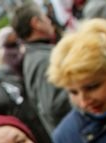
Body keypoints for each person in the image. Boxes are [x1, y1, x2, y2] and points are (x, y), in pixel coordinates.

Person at [11, 2, 71, 135]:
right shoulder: (41, 60)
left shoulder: (38, 54)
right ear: (36, 23)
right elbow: (54, 106)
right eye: (45, 17)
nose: (49, 21)